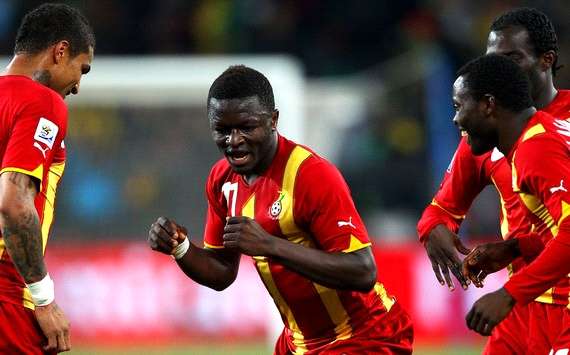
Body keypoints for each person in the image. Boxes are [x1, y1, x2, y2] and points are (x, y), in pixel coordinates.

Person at [148, 65, 413, 354]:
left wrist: (269, 245)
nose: (234, 141)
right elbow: (222, 272)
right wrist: (180, 247)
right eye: (222, 130)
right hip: (298, 344)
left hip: (363, 336)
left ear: (273, 120)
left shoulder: (311, 175)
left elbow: (363, 271)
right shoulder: (222, 180)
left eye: (247, 127)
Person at [417, 7, 569, 354]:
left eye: (512, 58)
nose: (497, 69)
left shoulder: (540, 141)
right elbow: (441, 209)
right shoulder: (486, 134)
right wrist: (433, 228)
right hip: (525, 301)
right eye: (491, 59)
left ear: (546, 60)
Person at [452, 54, 570, 354]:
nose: (456, 119)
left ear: (488, 105)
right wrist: (515, 248)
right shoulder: (538, 135)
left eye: (458, 106)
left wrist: (509, 294)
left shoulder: (536, 149)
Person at [0, 3, 94, 353]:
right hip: (7, 297)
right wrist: (43, 299)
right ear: (60, 51)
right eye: (81, 69)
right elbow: (13, 203)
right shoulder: (42, 102)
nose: (78, 85)